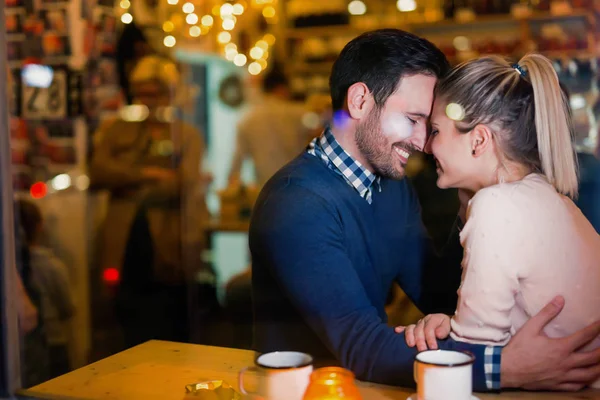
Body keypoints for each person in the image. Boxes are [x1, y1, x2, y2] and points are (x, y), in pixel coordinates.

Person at [250, 29, 600, 392]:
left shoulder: (390, 187)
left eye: (429, 125)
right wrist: (504, 366)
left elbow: (440, 291)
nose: (423, 143)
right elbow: (362, 346)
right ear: (359, 101)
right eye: (413, 120)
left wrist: (477, 193)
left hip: (366, 389)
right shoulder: (296, 203)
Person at [397, 54, 600, 389]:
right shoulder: (545, 195)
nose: (427, 146)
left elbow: (473, 355)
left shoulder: (496, 207)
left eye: (435, 131)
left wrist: (442, 333)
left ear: (478, 140)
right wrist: (451, 324)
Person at [89, 55, 208, 347]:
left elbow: (183, 181)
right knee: (126, 317)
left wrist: (128, 182)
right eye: (142, 93)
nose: (148, 100)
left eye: (154, 92)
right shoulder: (119, 129)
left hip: (169, 240)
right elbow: (99, 170)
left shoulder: (186, 134)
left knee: (168, 321)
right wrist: (148, 173)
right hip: (124, 237)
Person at [17, 199, 75, 378]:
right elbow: (67, 308)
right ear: (39, 226)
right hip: (54, 342)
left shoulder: (11, 267)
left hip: (21, 347)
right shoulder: (53, 266)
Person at [227, 67, 312, 188]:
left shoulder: (248, 120)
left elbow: (237, 163)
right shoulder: (300, 114)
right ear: (283, 88)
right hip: (299, 187)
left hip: (265, 190)